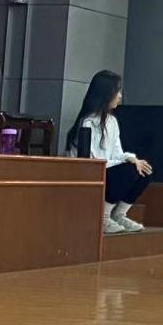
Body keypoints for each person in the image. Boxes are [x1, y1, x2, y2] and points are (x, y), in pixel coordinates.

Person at [66, 70, 153, 235]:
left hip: (106, 169)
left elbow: (117, 153)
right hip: (90, 175)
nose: (120, 96)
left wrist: (132, 159)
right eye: (117, 91)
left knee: (144, 170)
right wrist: (128, 161)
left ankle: (119, 214)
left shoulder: (112, 121)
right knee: (129, 169)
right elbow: (93, 163)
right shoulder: (88, 123)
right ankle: (103, 218)